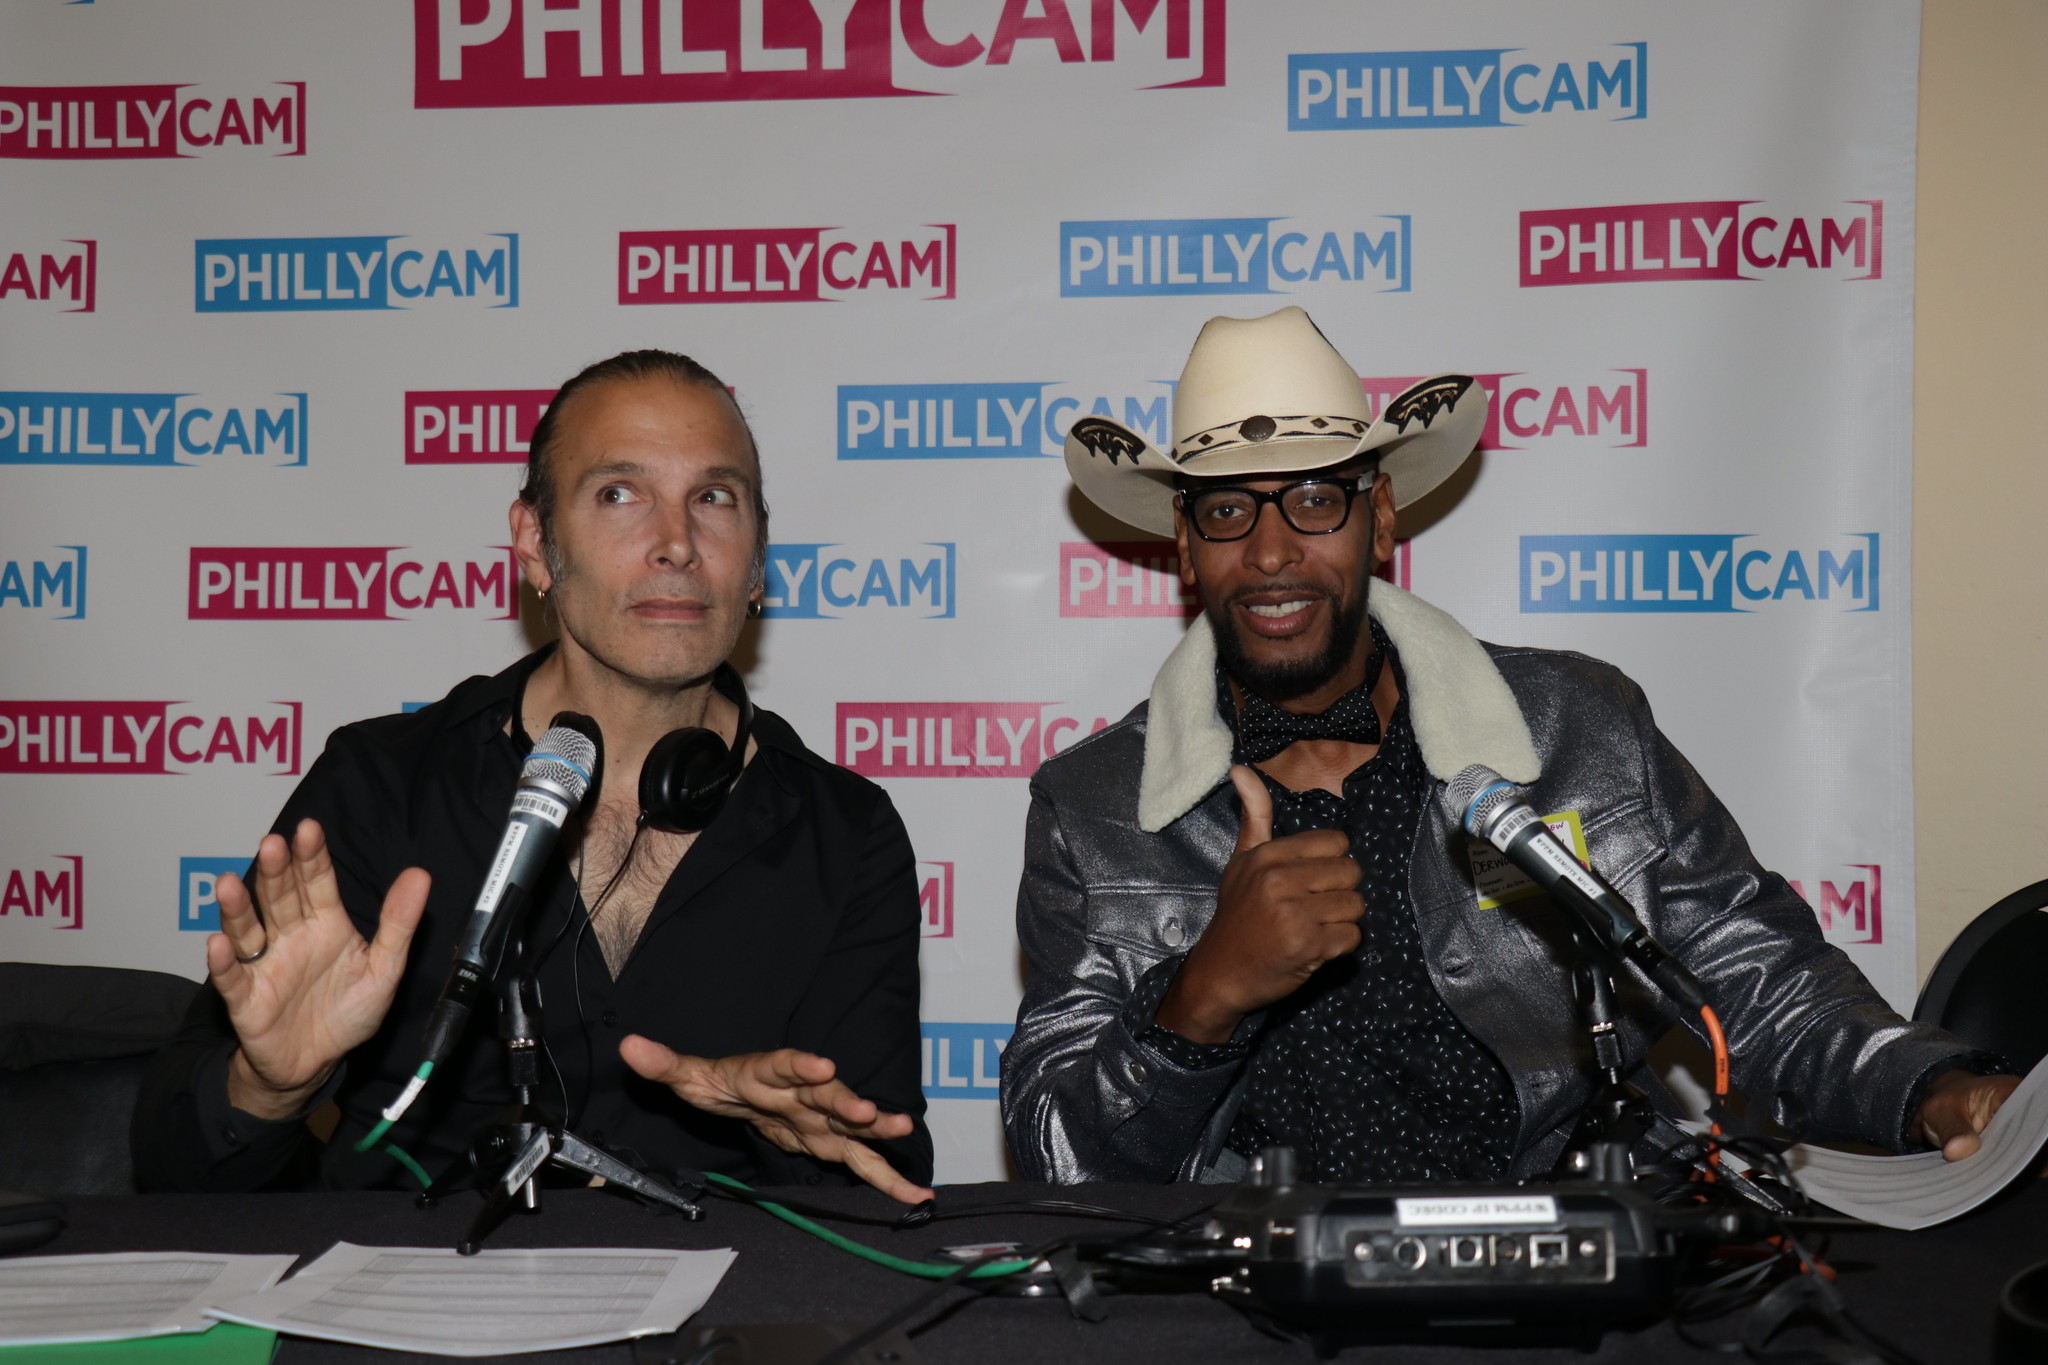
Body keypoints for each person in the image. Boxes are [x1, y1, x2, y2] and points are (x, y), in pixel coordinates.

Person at [1000, 306, 2016, 1185]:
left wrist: (1936, 1090)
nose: (1270, 552)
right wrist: (1199, 998)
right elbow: (1058, 1156)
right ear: (1183, 545)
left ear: (1380, 519)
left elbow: (1757, 982)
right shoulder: (1091, 807)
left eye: (1315, 499)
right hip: (1251, 1288)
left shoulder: (1575, 726)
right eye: (1227, 510)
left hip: (1561, 1256)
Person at [136, 350, 932, 1201]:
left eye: (715, 498)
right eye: (620, 494)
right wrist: (270, 1089)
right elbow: (168, 1170)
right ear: (534, 543)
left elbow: (886, 1181)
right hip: (412, 1303)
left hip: (718, 1309)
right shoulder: (382, 784)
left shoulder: (846, 831)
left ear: (759, 557)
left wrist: (788, 1137)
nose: (677, 544)